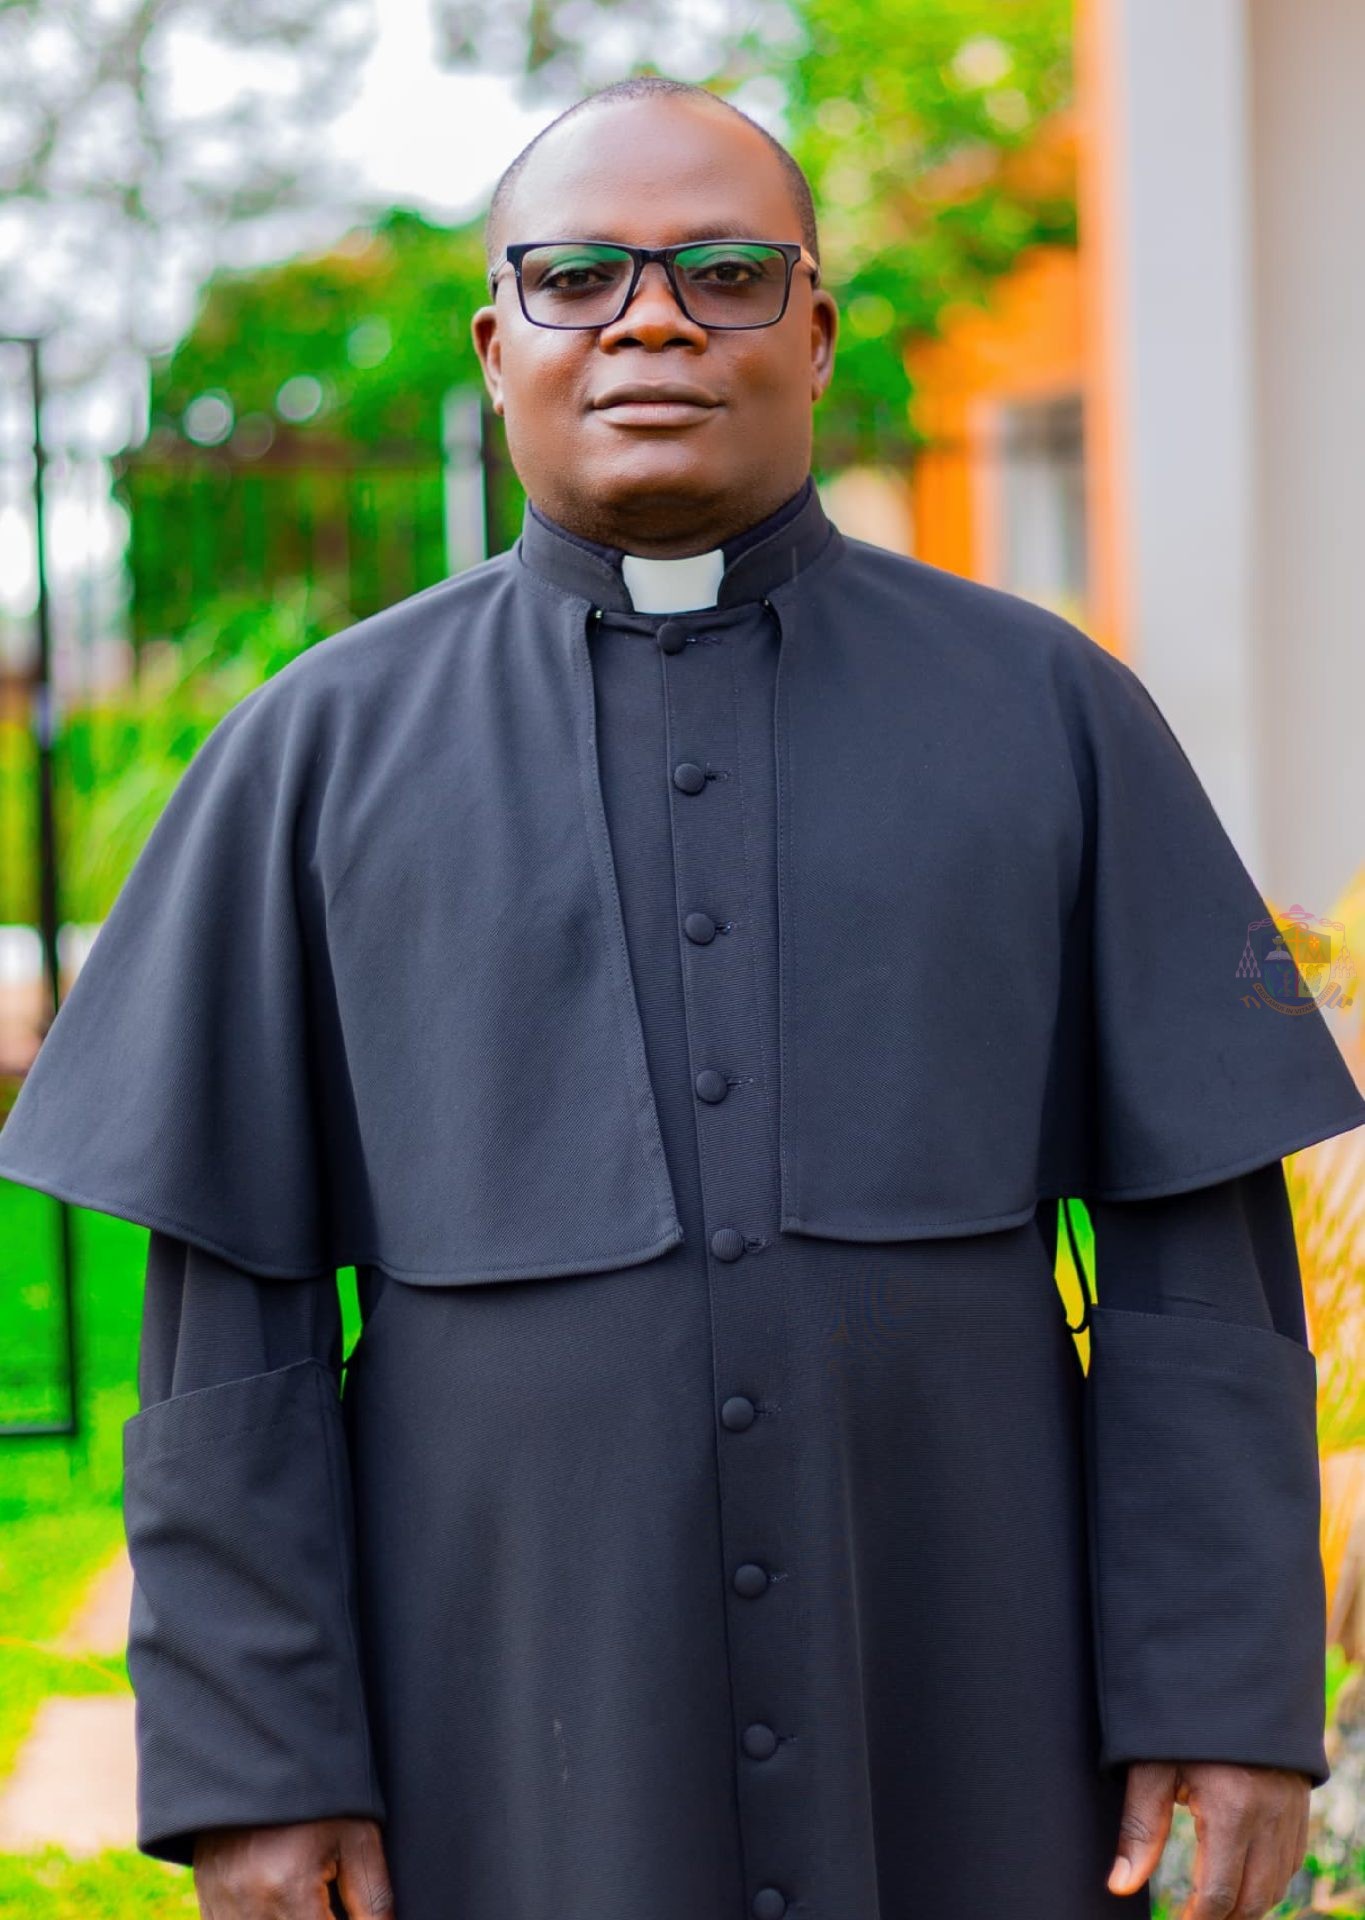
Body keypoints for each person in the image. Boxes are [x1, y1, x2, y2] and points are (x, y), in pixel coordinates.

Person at [2, 75, 1363, 1920]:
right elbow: (225, 1334)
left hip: (971, 1689)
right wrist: (259, 1762)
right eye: (579, 277)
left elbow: (1198, 1262)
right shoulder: (313, 754)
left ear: (816, 331)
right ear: (497, 343)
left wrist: (1219, 1694)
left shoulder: (1049, 715)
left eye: (723, 273)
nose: (649, 320)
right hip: (502, 1708)